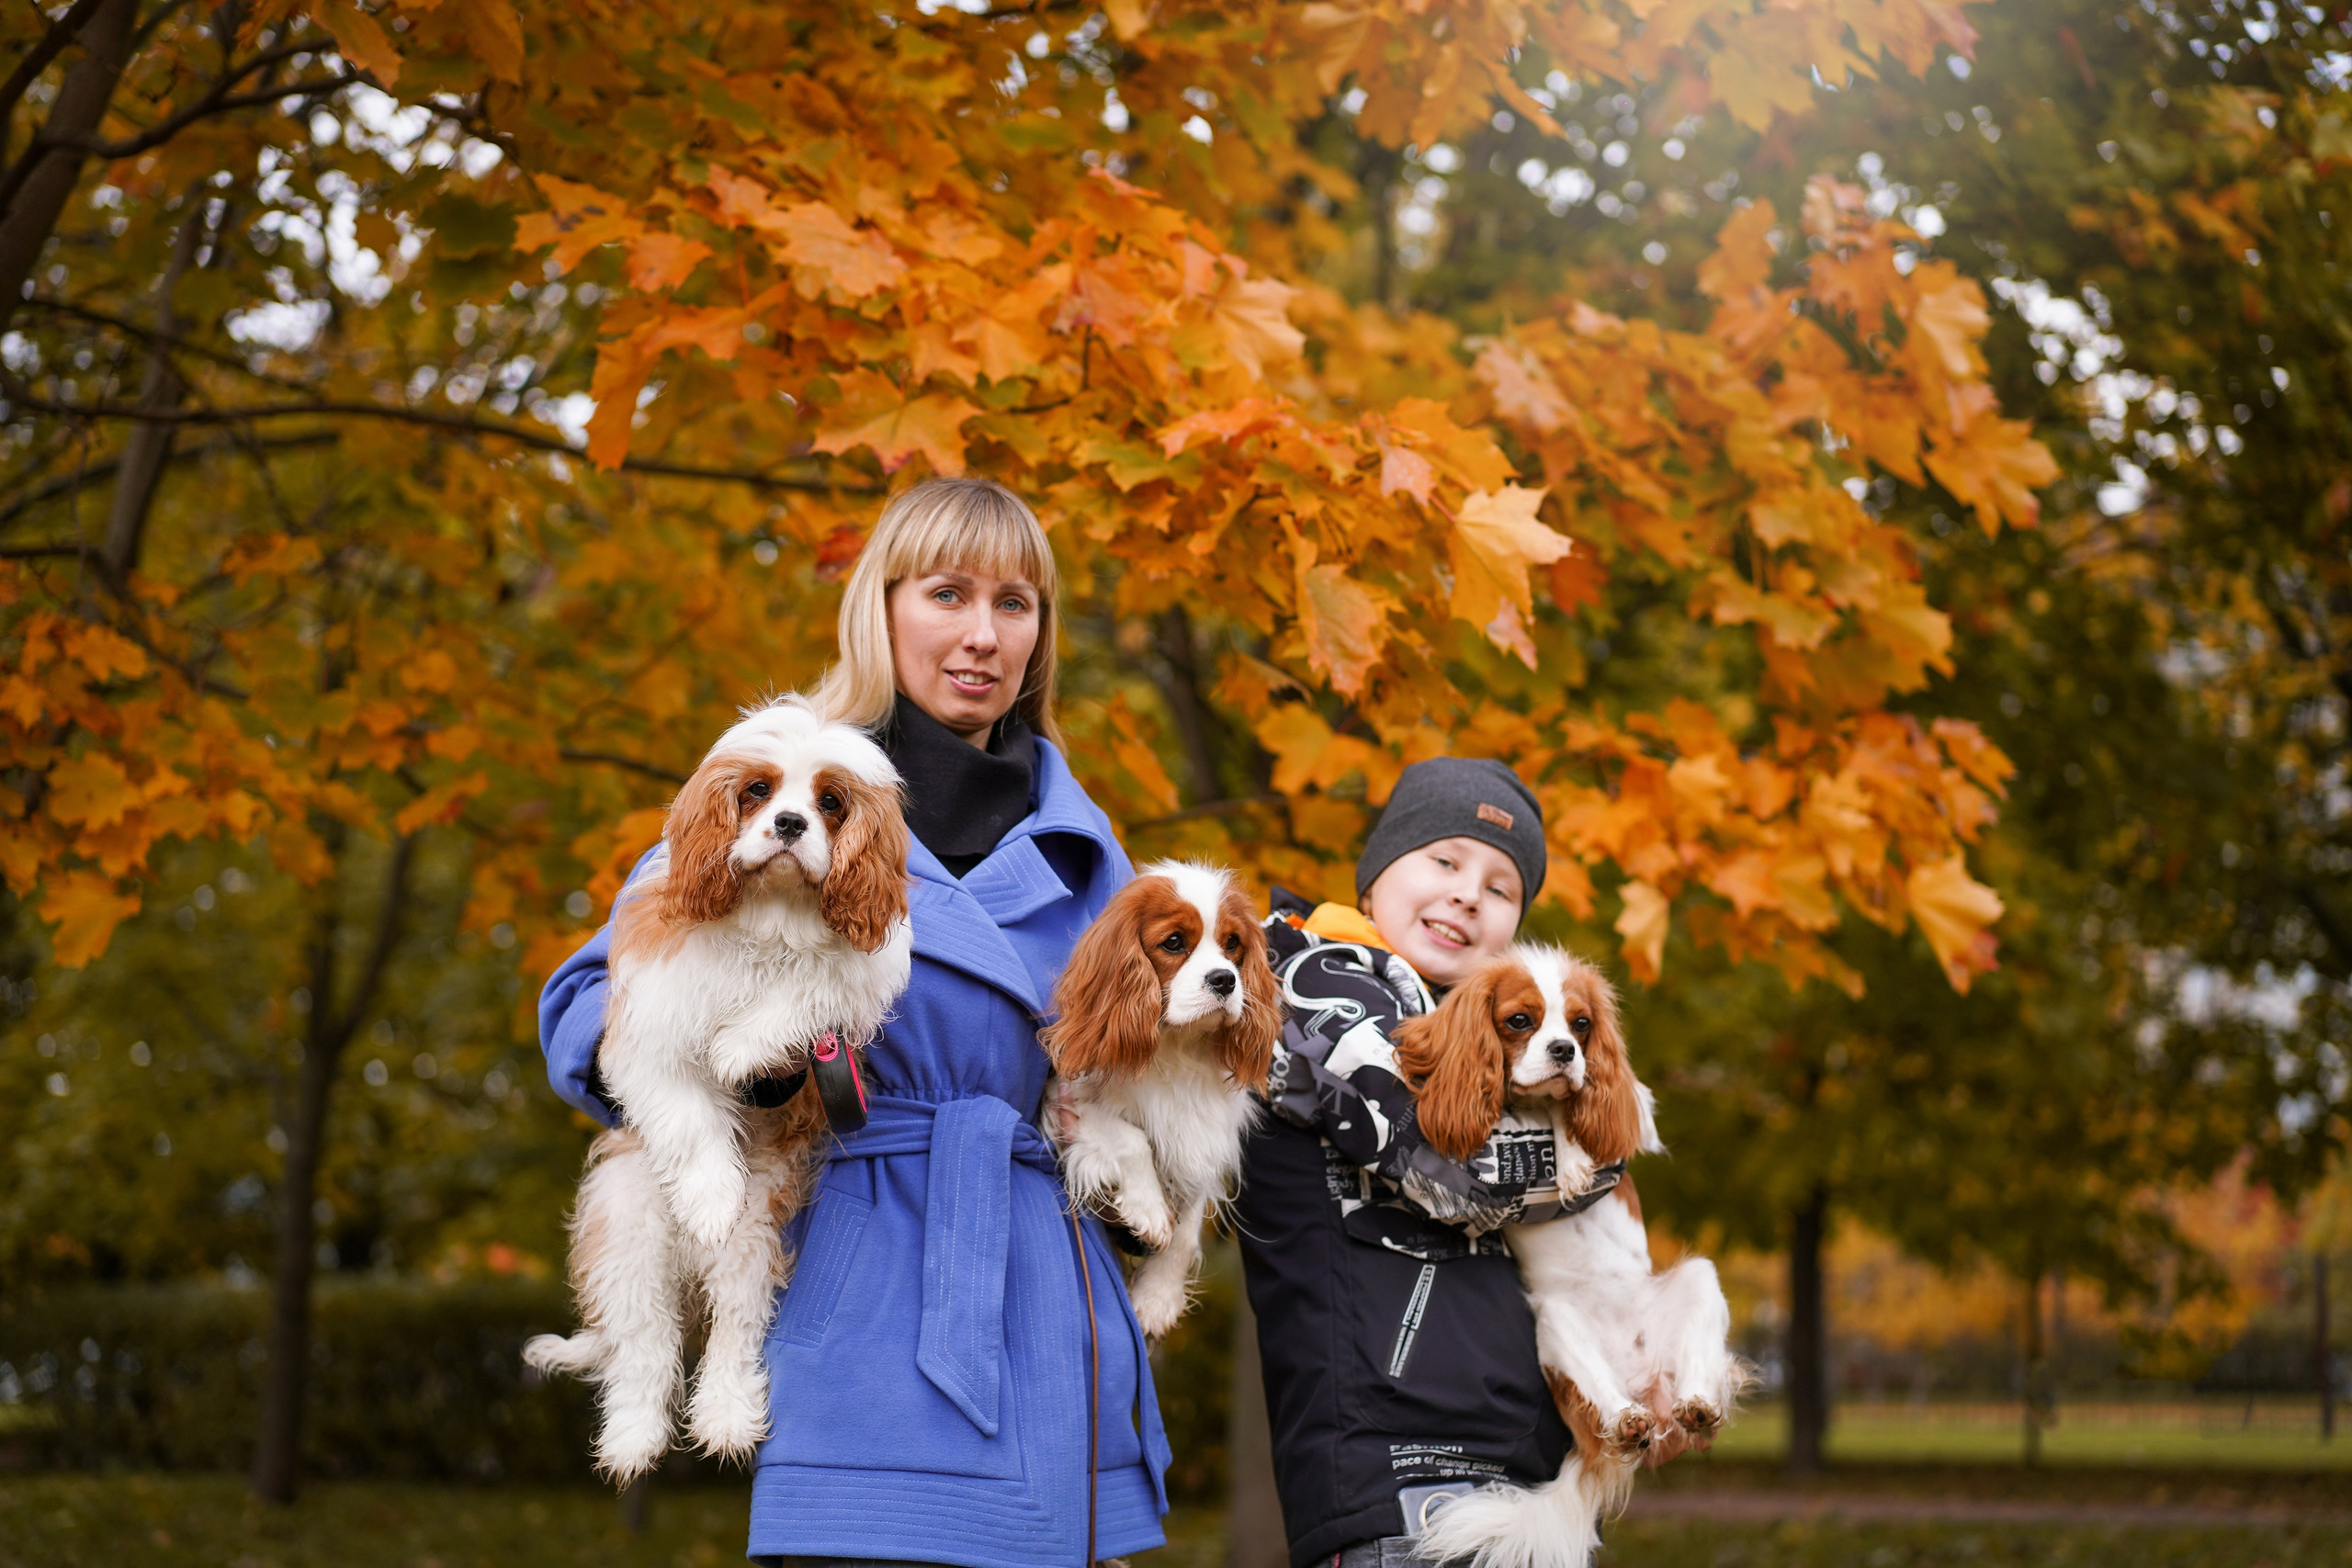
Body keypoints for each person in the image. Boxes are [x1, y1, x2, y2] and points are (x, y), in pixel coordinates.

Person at [537, 478, 1169, 1566]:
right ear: (880, 608)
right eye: (947, 593)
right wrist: (738, 1075)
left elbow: (1153, 1073)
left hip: (1043, 1296)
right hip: (848, 1267)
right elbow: (594, 993)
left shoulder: (1088, 852)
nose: (982, 635)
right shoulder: (784, 779)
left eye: (1014, 604)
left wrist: (1132, 1169)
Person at [1237, 757, 1693, 1568]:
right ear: (1376, 874)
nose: (1467, 894)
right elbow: (1458, 1169)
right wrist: (1608, 1147)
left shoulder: (1496, 1030)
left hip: (1525, 1485)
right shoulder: (1311, 979)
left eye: (1500, 887)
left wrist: (1640, 1358)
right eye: (1444, 860)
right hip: (1398, 1486)